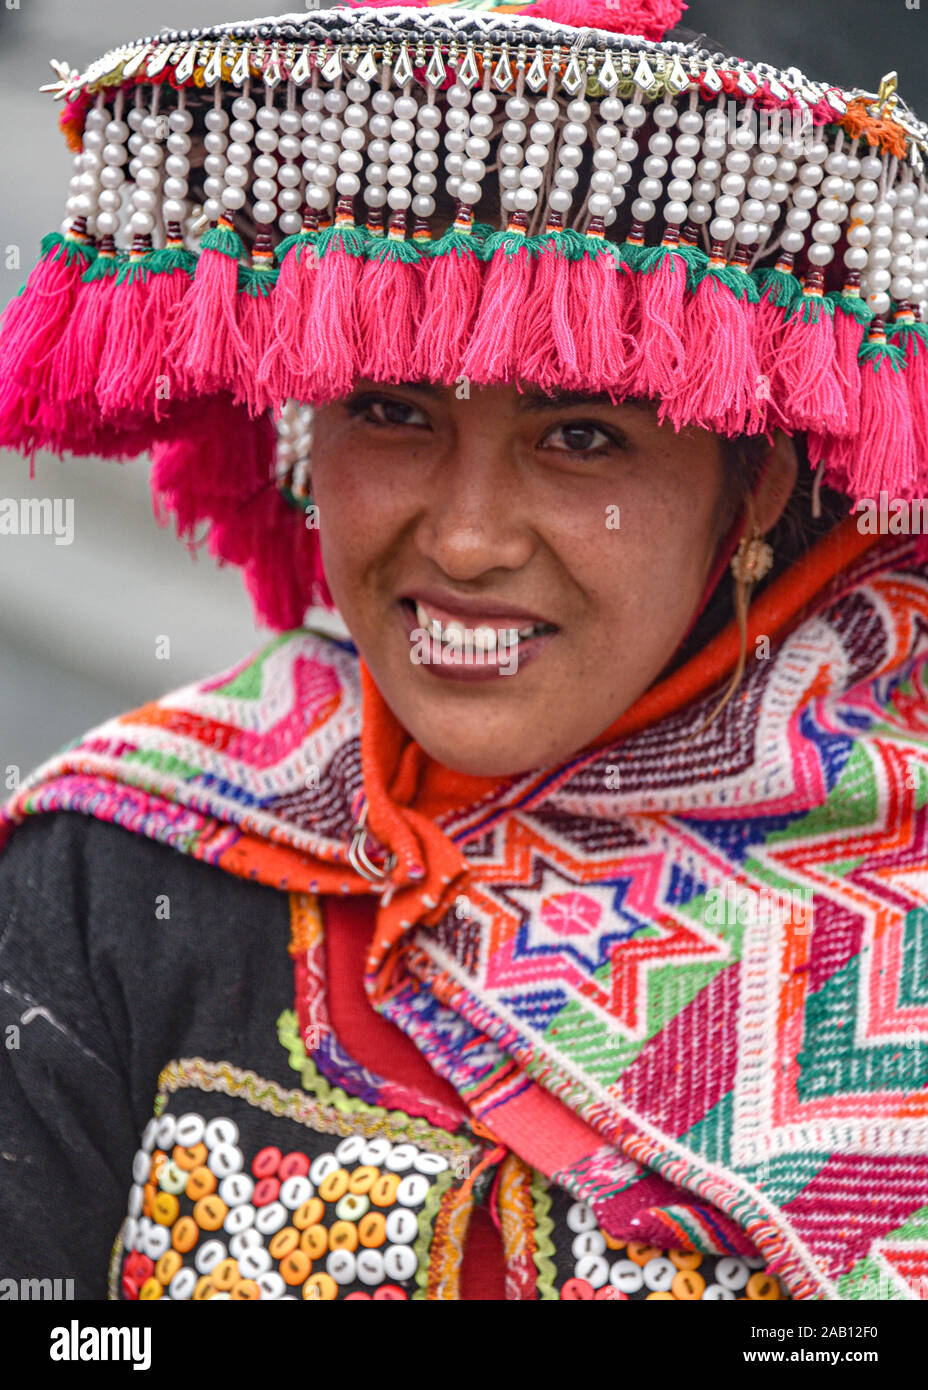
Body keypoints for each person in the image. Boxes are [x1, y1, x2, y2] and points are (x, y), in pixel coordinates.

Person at [1, 0, 927, 1304]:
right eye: (391, 410)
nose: (472, 535)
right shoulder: (118, 862)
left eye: (583, 434)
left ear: (757, 476)